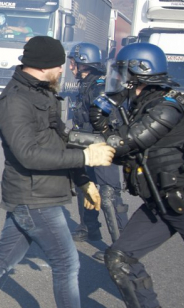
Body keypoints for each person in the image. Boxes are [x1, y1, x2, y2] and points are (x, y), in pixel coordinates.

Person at [0, 36, 116, 308]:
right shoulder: (14, 101)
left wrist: (83, 180)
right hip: (33, 195)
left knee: (3, 257)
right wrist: (85, 156)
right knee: (67, 263)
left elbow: (58, 140)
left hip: (41, 191)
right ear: (43, 64)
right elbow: (28, 154)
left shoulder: (43, 92)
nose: (62, 70)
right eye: (59, 65)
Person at [90, 42, 184, 308]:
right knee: (119, 259)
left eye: (123, 72)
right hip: (161, 204)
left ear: (139, 73)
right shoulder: (141, 108)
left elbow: (123, 143)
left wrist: (79, 141)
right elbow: (122, 152)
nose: (119, 79)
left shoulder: (166, 108)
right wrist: (100, 114)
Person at [67, 42, 129, 259]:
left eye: (72, 62)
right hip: (88, 146)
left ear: (82, 63)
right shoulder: (86, 84)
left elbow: (109, 122)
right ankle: (89, 227)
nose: (70, 66)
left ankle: (123, 248)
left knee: (110, 194)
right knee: (86, 185)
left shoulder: (99, 87)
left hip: (102, 149)